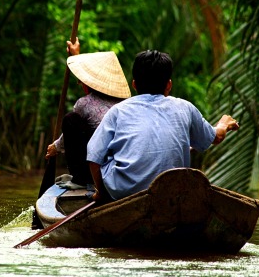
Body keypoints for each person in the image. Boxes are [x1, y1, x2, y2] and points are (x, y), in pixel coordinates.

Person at [87, 49, 239, 202]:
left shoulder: (118, 111)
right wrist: (224, 123)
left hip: (124, 193)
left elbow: (94, 156)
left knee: (106, 153)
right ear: (169, 85)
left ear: (134, 84)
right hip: (172, 191)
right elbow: (216, 137)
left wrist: (101, 193)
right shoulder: (185, 107)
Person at [45, 38, 131, 188]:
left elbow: (67, 137)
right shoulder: (126, 103)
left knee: (70, 120)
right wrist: (75, 55)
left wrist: (55, 148)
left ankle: (80, 179)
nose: (81, 84)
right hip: (125, 166)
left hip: (98, 168)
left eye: (82, 82)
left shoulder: (84, 103)